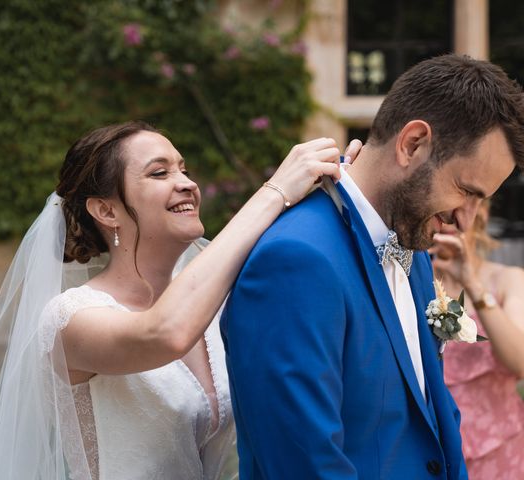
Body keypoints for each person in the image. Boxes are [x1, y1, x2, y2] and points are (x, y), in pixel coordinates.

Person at [0, 120, 362, 479]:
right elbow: (165, 333)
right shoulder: (70, 320)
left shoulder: (217, 301)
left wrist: (353, 200)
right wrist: (275, 191)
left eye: (183, 168)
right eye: (159, 172)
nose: (186, 182)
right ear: (106, 211)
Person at [221, 53, 524, 479]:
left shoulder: (413, 247)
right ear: (412, 143)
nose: (465, 220)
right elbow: (304, 464)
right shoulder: (294, 261)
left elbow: (434, 417)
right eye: (464, 190)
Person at [430, 201, 524, 479]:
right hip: (435, 451)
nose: (447, 221)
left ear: (479, 214)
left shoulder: (507, 278)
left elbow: (519, 363)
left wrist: (473, 285)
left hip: (499, 449)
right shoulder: (414, 281)